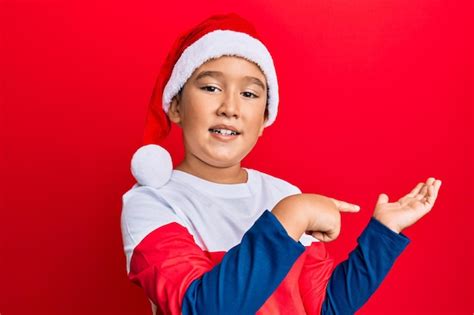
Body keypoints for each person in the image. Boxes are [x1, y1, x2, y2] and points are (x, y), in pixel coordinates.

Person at [120, 13, 442, 315]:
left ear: (263, 120)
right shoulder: (151, 203)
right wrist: (293, 215)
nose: (230, 107)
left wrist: (383, 234)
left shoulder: (283, 193)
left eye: (249, 94)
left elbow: (325, 307)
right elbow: (203, 308)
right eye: (211, 88)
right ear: (175, 106)